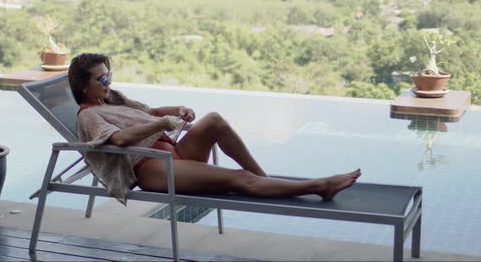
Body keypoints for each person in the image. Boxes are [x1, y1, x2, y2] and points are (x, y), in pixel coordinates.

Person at [68, 53, 361, 205]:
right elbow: (118, 139)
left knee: (213, 120)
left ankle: (266, 180)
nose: (109, 83)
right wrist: (161, 124)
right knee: (237, 179)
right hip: (153, 168)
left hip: (174, 153)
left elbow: (153, 112)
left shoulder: (114, 99)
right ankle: (320, 187)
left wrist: (177, 110)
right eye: (102, 80)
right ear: (84, 86)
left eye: (109, 76)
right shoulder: (89, 116)